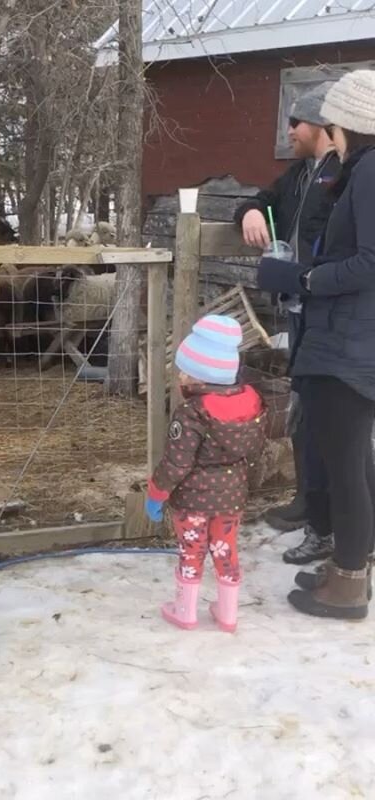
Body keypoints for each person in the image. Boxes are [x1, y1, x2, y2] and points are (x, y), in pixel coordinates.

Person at [258, 70, 375, 620]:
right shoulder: (360, 172)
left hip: (349, 345)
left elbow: (372, 261)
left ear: (345, 124)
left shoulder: (371, 171)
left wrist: (306, 280)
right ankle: (349, 567)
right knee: (352, 460)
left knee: (347, 465)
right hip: (348, 339)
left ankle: (349, 583)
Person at [235, 84, 340, 566]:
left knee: (332, 414)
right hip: (300, 311)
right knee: (302, 402)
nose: (289, 130)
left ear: (319, 124)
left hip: (331, 313)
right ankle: (307, 500)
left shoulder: (346, 174)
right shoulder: (300, 174)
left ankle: (336, 519)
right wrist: (252, 211)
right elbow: (261, 198)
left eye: (295, 122)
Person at [145, 315, 266, 632]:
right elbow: (254, 453)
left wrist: (157, 493)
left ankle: (185, 611)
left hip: (192, 503)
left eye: (185, 371)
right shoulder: (251, 406)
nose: (180, 377)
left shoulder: (192, 413)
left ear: (200, 377)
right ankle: (227, 615)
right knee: (226, 551)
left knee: (191, 551)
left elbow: (177, 463)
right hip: (231, 499)